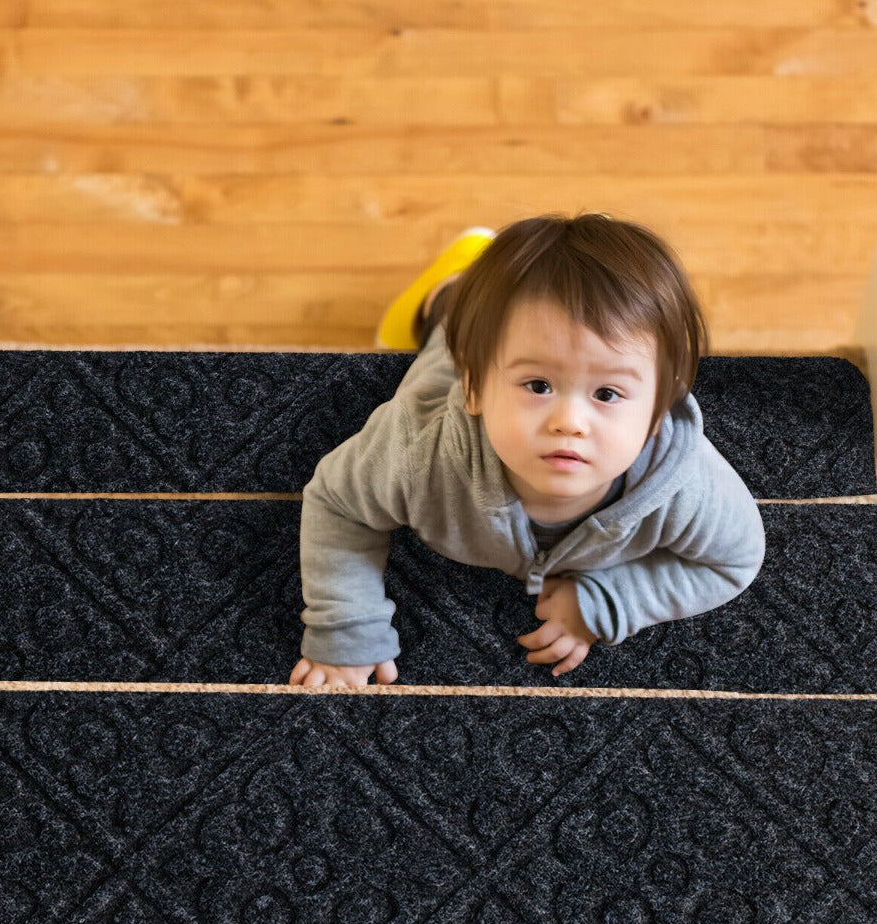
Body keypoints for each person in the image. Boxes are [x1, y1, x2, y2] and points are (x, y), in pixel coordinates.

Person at [288, 212, 766, 688]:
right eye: (538, 385)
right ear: (474, 390)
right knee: (454, 320)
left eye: (607, 394)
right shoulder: (418, 451)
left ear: (659, 412)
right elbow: (337, 502)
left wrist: (612, 600)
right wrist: (346, 628)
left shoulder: (683, 484)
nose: (569, 423)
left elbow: (737, 558)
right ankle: (452, 279)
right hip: (450, 359)